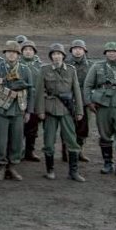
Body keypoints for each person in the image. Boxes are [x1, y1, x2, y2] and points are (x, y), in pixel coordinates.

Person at [82, 41, 116, 178]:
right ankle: (107, 164)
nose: (111, 54)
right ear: (105, 53)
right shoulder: (97, 67)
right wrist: (89, 102)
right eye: (109, 51)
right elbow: (87, 85)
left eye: (114, 51)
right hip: (103, 106)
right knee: (105, 136)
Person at [0, 41, 33, 181]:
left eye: (14, 52)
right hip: (1, 110)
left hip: (18, 110)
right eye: (9, 52)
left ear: (18, 55)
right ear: (5, 54)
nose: (11, 55)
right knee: (1, 141)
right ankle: (1, 166)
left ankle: (12, 166)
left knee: (17, 140)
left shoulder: (25, 70)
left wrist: (29, 111)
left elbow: (31, 91)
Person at [35, 44, 85, 182]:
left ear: (63, 56)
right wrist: (40, 111)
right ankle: (50, 170)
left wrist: (79, 110)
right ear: (51, 56)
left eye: (59, 54)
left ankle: (73, 172)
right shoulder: (44, 70)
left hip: (66, 110)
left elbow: (76, 91)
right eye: (54, 54)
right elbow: (39, 91)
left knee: (72, 140)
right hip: (50, 109)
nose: (56, 56)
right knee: (48, 141)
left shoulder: (71, 70)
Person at [68, 39, 94, 161]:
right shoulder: (66, 64)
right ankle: (67, 152)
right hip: (68, 99)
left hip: (84, 100)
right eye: (75, 49)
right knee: (68, 127)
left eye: (80, 49)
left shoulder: (91, 65)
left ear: (84, 51)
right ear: (71, 50)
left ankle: (79, 151)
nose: (77, 51)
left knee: (83, 127)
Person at [19, 38, 43, 162]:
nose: (28, 52)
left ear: (34, 52)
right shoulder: (17, 64)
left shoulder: (40, 66)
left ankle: (30, 151)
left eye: (30, 50)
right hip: (19, 99)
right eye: (25, 50)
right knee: (19, 127)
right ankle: (18, 151)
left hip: (35, 100)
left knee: (33, 127)